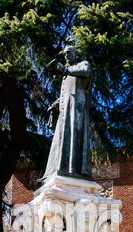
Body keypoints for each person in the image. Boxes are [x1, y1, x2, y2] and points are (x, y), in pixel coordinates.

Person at [41, 45, 92, 183]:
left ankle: (73, 169)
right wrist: (56, 104)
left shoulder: (83, 64)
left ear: (75, 54)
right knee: (61, 138)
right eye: (65, 54)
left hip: (77, 106)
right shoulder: (67, 75)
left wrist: (65, 69)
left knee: (74, 136)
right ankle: (59, 169)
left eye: (69, 53)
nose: (67, 56)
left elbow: (86, 71)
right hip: (66, 109)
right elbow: (66, 93)